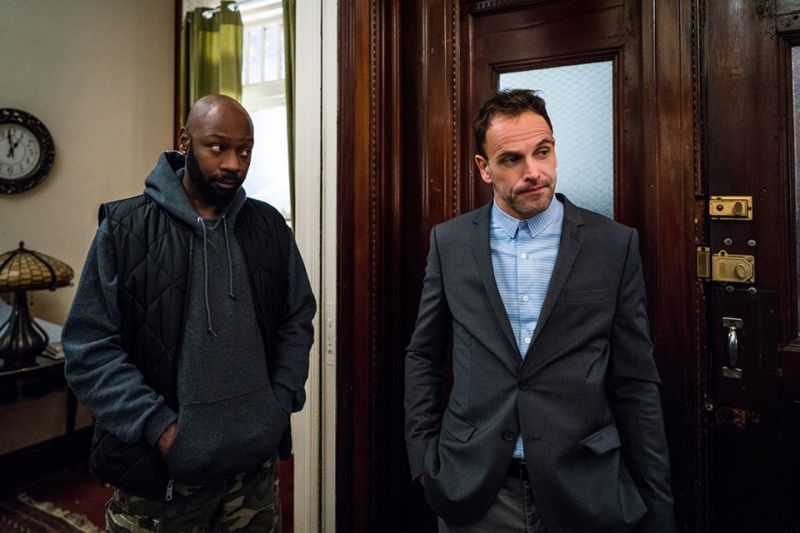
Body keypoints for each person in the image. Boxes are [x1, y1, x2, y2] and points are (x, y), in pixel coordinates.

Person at [404, 89, 675, 532]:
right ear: (484, 168)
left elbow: (636, 381)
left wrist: (657, 507)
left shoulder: (612, 244)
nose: (533, 172)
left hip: (586, 488)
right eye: (512, 159)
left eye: (542, 152)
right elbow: (424, 355)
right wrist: (423, 458)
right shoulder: (450, 242)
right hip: (474, 488)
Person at [63, 94, 316, 532]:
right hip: (160, 477)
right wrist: (161, 430)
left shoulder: (269, 227)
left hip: (253, 473)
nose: (233, 163)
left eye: (245, 151)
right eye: (217, 147)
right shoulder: (124, 229)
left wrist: (280, 402)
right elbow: (88, 350)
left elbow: (296, 319)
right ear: (185, 141)